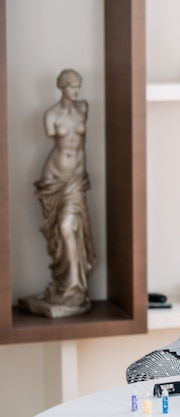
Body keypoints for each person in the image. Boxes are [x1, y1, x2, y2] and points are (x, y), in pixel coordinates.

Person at [34, 68, 96, 310]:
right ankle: (65, 285)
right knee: (59, 232)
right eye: (71, 87)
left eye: (78, 86)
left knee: (67, 226)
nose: (76, 91)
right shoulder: (51, 116)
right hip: (53, 179)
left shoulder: (83, 108)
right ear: (61, 87)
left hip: (75, 180)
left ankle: (74, 288)